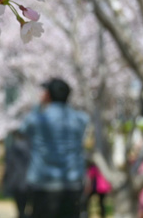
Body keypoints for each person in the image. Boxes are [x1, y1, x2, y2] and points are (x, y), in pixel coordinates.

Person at [19, 78, 89, 218]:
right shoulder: (81, 119)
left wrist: (40, 104)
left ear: (48, 95)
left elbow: (23, 129)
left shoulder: (37, 119)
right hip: (72, 185)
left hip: (43, 185)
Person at [3, 130, 30, 218]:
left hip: (16, 181)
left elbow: (9, 166)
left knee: (20, 209)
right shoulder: (32, 147)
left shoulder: (12, 148)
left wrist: (6, 181)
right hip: (31, 181)